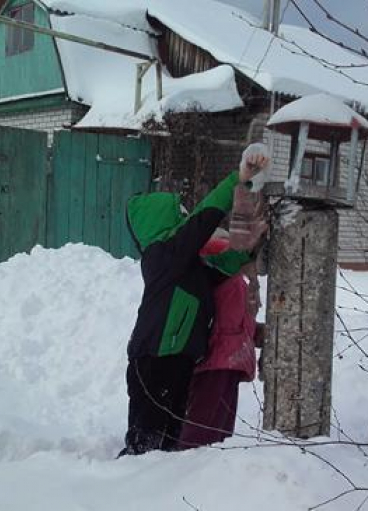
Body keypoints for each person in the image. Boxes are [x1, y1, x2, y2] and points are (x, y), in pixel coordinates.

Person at [120, 149, 268, 456]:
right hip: (154, 360)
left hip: (178, 360)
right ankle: (126, 490)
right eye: (181, 216)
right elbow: (204, 218)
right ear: (163, 223)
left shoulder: (187, 267)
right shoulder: (162, 257)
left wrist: (248, 249)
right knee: (146, 441)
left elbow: (220, 270)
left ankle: (162, 493)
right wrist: (237, 180)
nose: (188, 219)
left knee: (170, 441)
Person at [177, 236, 265, 449]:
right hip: (216, 361)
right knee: (204, 427)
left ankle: (208, 469)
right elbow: (221, 322)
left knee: (219, 429)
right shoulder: (223, 280)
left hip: (227, 361)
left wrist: (256, 333)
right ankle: (184, 469)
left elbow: (235, 320)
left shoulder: (233, 281)